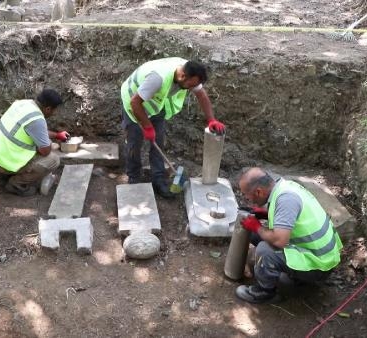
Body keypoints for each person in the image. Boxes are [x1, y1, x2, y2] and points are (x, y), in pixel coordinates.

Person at [120, 57, 226, 198]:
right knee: (134, 143)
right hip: (133, 102)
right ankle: (134, 178)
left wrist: (211, 119)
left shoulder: (189, 71)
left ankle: (158, 179)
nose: (190, 89)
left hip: (156, 104)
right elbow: (135, 102)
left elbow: (201, 95)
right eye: (189, 85)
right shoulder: (157, 78)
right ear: (182, 76)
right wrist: (147, 126)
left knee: (158, 141)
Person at [235, 167, 343, 303]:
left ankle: (264, 292)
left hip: (318, 265)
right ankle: (286, 274)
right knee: (256, 231)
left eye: (247, 195)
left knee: (265, 249)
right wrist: (264, 214)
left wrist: (256, 226)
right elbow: (290, 217)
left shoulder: (286, 200)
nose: (247, 199)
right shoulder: (285, 187)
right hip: (319, 253)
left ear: (258, 191)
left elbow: (279, 240)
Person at [0, 89, 70, 196]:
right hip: (5, 162)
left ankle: (3, 173)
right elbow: (45, 151)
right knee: (53, 159)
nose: (54, 113)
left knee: (44, 146)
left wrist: (57, 135)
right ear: (48, 108)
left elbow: (33, 130)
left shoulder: (22, 104)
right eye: (54, 110)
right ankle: (16, 183)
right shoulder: (37, 119)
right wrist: (48, 143)